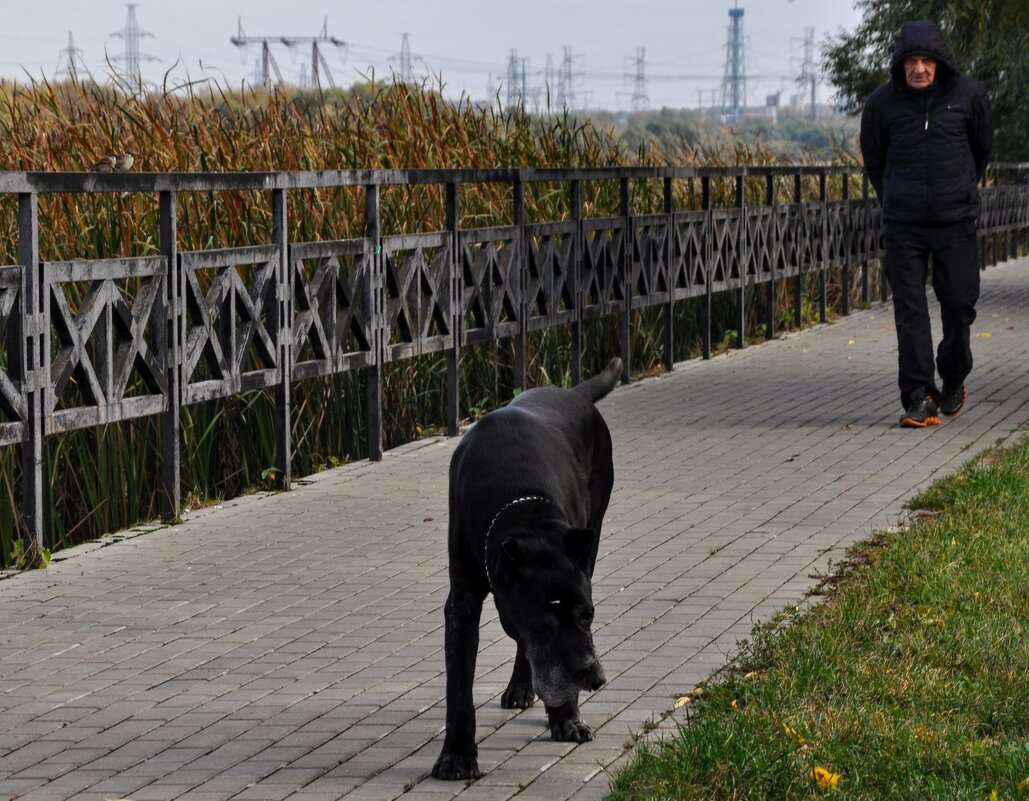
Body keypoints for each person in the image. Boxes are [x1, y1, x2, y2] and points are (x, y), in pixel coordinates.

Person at [860, 20, 992, 427]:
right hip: (905, 224)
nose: (920, 68)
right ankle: (919, 394)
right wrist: (896, 198)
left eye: (927, 60)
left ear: (940, 62)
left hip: (955, 221)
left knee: (958, 303)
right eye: (911, 61)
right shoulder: (882, 105)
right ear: (900, 65)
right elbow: (875, 161)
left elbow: (981, 149)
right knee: (910, 310)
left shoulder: (969, 96)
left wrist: (960, 191)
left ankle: (953, 374)